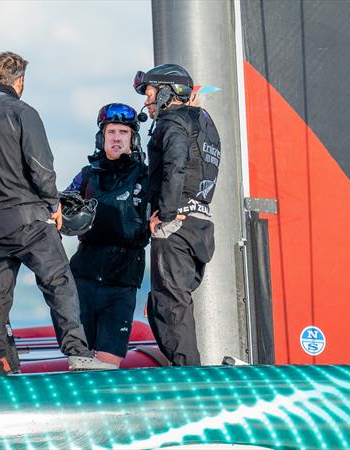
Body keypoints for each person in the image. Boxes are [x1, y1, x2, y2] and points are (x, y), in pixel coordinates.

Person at [0, 51, 115, 376]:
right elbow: (41, 168)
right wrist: (54, 205)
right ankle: (78, 354)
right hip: (28, 220)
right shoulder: (22, 112)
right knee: (59, 283)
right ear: (20, 82)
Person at [133, 64, 221, 366]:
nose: (147, 100)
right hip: (199, 226)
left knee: (170, 305)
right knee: (171, 303)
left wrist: (165, 215)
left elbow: (176, 166)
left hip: (176, 225)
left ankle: (189, 378)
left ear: (168, 92)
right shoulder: (203, 121)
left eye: (150, 92)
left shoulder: (173, 122)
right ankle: (186, 369)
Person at [65, 103, 150, 368]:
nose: (116, 137)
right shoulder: (87, 175)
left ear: (132, 138)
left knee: (108, 360)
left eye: (123, 132)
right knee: (79, 360)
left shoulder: (147, 177)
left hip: (122, 280)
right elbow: (63, 207)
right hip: (85, 277)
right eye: (110, 131)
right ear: (101, 138)